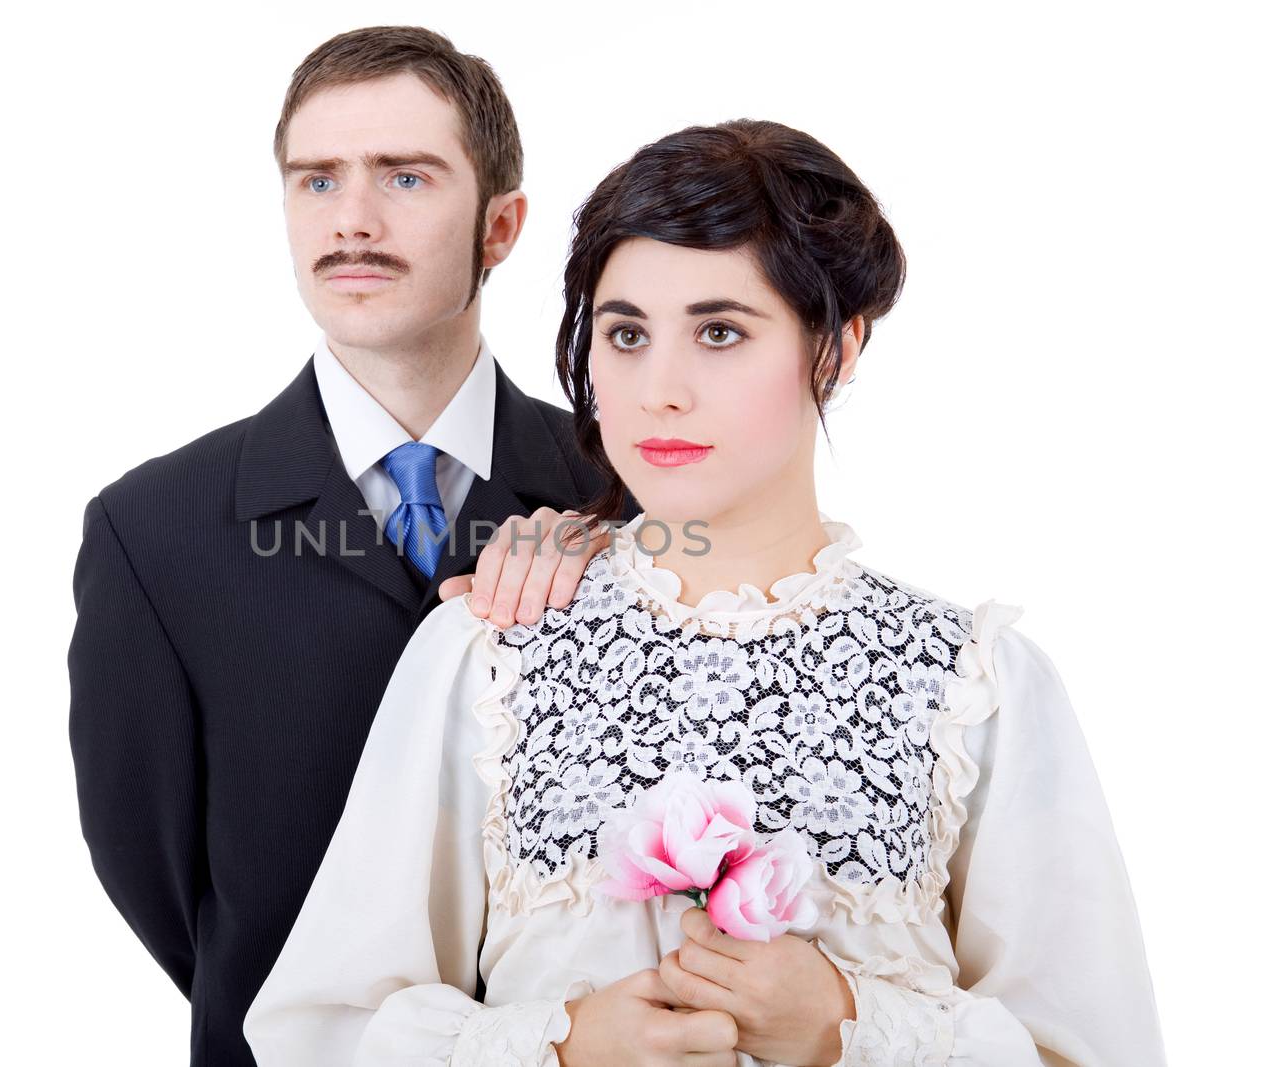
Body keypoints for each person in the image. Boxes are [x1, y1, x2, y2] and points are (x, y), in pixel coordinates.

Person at [243, 118, 1166, 1065]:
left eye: (720, 332)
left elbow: (1094, 1048)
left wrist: (849, 1026)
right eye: (627, 334)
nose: (661, 389)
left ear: (838, 347)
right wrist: (556, 1047)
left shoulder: (975, 685)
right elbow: (322, 1030)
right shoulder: (489, 652)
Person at [66, 27, 636, 1067]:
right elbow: (148, 868)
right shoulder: (151, 530)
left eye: (405, 176)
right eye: (316, 181)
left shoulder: (625, 494)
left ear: (500, 224)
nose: (353, 222)